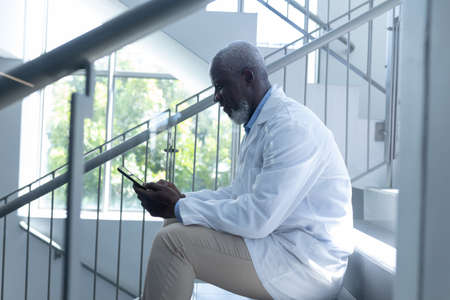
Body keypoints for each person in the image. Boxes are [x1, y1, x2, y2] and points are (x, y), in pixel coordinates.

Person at [133, 41, 354, 300]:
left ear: (248, 77)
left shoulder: (291, 128)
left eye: (220, 86)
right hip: (281, 247)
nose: (216, 97)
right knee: (174, 221)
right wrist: (182, 201)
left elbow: (258, 218)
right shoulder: (261, 125)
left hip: (306, 267)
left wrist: (180, 207)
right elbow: (238, 194)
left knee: (173, 243)